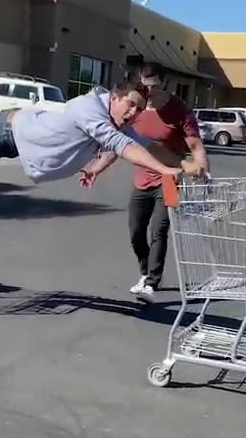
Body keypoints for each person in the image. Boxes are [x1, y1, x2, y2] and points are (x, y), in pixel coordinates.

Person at [0, 82, 200, 184]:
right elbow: (122, 145)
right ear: (114, 97)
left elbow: (142, 144)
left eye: (138, 110)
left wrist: (186, 165)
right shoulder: (90, 108)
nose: (132, 114)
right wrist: (166, 170)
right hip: (9, 131)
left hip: (22, 144)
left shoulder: (112, 122)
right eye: (129, 105)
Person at [79, 64, 209, 301]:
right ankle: (144, 272)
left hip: (170, 179)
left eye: (155, 87)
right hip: (142, 179)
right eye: (146, 87)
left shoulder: (180, 110)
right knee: (136, 233)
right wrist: (95, 169)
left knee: (158, 230)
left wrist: (205, 176)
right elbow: (118, 145)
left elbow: (195, 146)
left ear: (165, 84)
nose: (151, 92)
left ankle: (152, 281)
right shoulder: (136, 112)